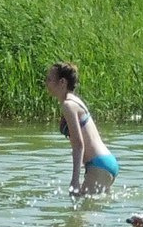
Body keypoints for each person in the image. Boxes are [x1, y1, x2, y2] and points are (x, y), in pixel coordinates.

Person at [48, 62, 120, 197]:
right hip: (105, 161)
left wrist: (75, 180)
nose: (46, 83)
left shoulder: (68, 105)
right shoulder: (75, 101)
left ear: (62, 82)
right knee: (92, 212)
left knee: (78, 214)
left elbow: (78, 144)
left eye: (49, 79)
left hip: (98, 165)